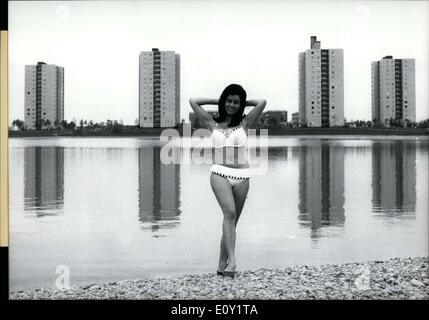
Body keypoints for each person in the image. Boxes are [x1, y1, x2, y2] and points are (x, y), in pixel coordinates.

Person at [189, 84, 266, 278]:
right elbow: (193, 101)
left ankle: (221, 265)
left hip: (242, 176)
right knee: (229, 214)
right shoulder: (211, 122)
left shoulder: (245, 123)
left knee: (231, 222)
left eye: (236, 102)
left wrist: (244, 102)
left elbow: (262, 102)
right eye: (229, 101)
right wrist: (219, 100)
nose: (232, 105)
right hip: (219, 174)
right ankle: (232, 262)